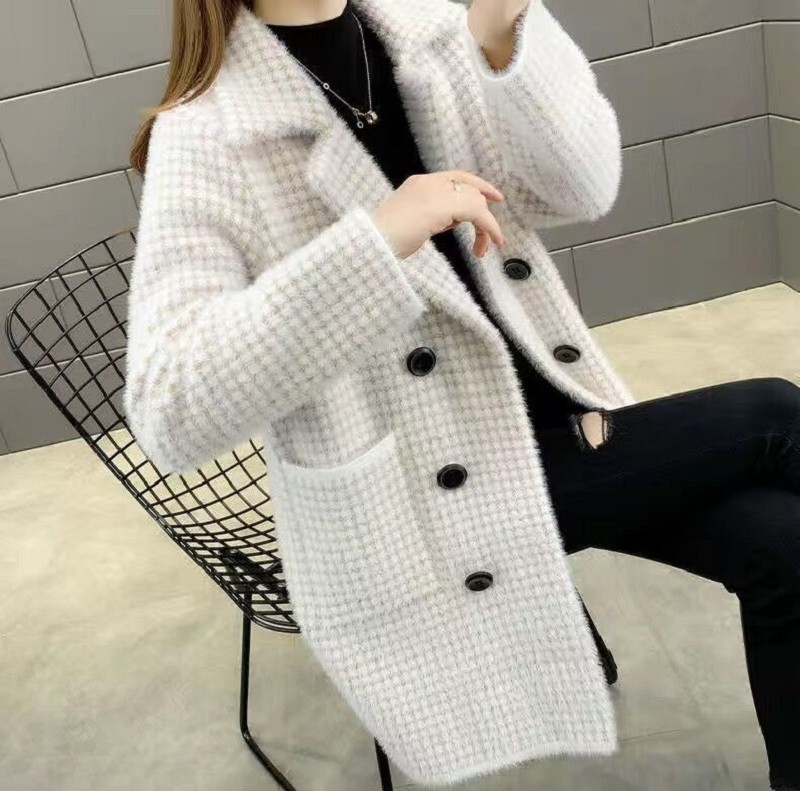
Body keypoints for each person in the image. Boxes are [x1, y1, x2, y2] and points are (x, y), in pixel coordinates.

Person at [124, 1, 800, 787]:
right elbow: (170, 407)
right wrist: (377, 240)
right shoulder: (207, 133)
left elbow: (583, 191)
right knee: (774, 414)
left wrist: (503, 48)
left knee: (783, 540)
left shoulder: (426, 33)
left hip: (547, 416)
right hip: (426, 490)